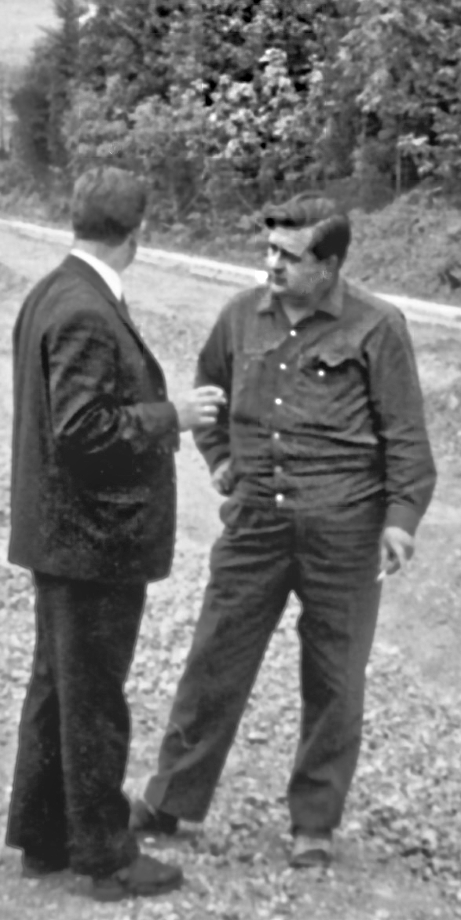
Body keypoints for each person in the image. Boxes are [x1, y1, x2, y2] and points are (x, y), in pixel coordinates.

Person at [131, 193, 436, 868]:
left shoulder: (379, 327)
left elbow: (407, 436)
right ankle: (171, 796)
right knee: (215, 657)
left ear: (329, 264)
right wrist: (217, 462)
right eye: (268, 249)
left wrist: (401, 522)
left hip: (344, 533)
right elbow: (207, 389)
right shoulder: (240, 317)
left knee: (334, 677)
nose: (272, 264)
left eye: (289, 256)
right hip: (254, 527)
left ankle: (314, 823)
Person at [4, 166, 225, 901]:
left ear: (75, 220)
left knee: (56, 687)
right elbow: (81, 433)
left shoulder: (52, 291)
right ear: (139, 233)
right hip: (91, 538)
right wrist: (174, 416)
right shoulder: (87, 310)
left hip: (60, 536)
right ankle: (103, 852)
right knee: (93, 696)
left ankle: (44, 832)